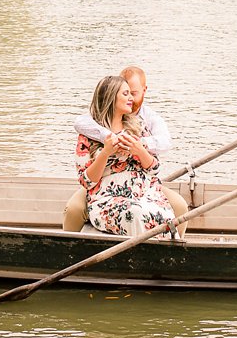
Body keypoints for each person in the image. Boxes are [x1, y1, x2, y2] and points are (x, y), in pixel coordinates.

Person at [64, 66, 187, 232]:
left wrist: (139, 148)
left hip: (145, 190)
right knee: (134, 213)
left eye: (132, 93)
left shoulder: (141, 124)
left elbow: (155, 166)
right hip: (108, 192)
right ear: (111, 97)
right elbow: (86, 181)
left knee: (168, 215)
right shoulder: (89, 129)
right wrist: (107, 150)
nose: (131, 99)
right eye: (125, 93)